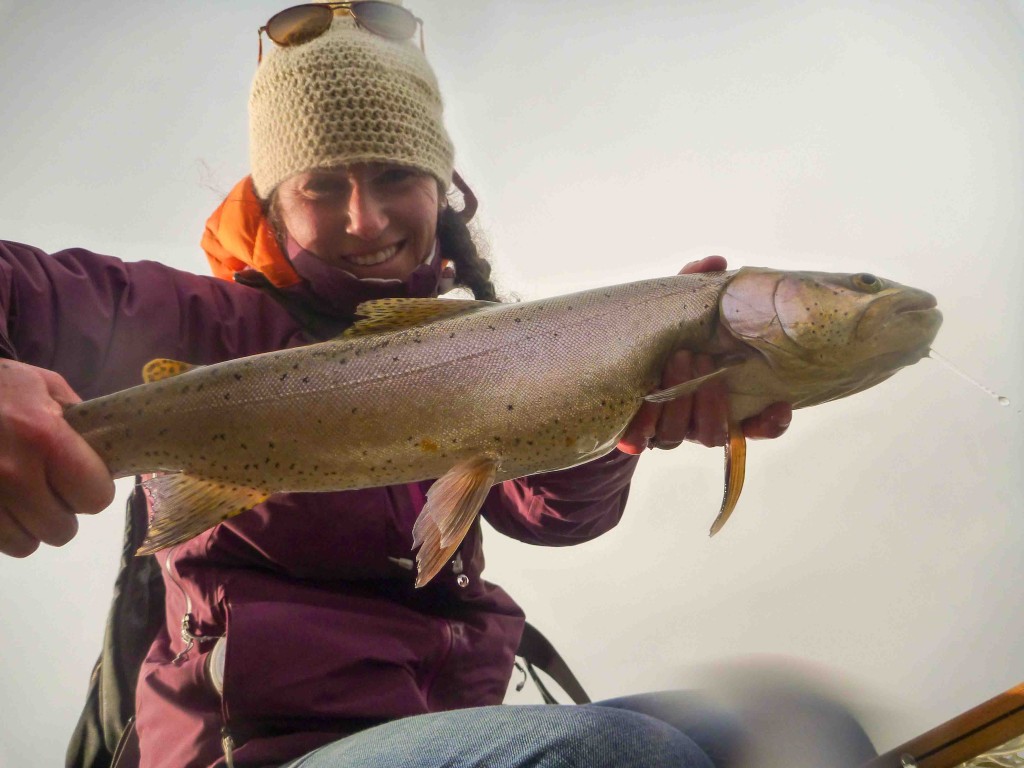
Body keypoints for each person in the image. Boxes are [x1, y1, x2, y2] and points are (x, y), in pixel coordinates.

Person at [0, 3, 873, 767]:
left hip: (450, 729)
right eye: (322, 187)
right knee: (615, 755)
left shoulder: (494, 339)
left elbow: (551, 515)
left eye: (393, 178)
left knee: (796, 731)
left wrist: (626, 422)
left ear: (442, 187)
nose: (365, 220)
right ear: (271, 202)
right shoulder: (188, 321)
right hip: (262, 750)